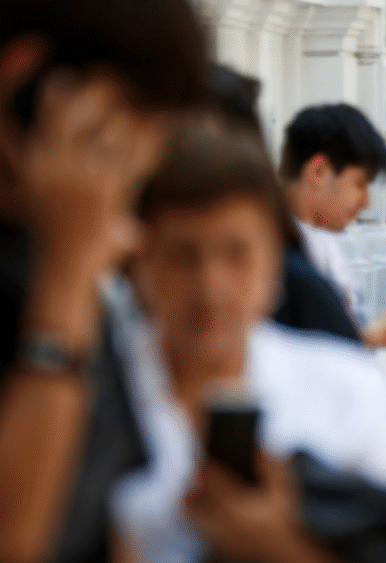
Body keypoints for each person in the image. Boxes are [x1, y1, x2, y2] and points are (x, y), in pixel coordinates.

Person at [113, 127, 386, 562]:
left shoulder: (345, 392)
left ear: (272, 261)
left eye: (237, 253)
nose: (211, 286)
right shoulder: (93, 395)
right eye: (183, 255)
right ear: (143, 260)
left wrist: (280, 547)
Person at [0, 1, 207, 560]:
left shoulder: (45, 246)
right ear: (27, 76)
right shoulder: (61, 263)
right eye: (135, 117)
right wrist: (67, 274)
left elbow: (107, 506)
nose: (144, 158)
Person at [280, 104, 386, 348]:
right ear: (318, 171)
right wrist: (378, 336)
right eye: (360, 184)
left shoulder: (317, 239)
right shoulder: (275, 254)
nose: (366, 202)